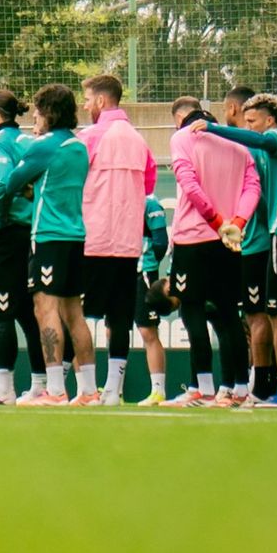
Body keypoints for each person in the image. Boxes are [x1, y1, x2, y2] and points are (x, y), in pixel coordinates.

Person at [195, 95, 277, 408]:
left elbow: (254, 140)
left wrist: (213, 129)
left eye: (252, 121)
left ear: (269, 121)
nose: (248, 126)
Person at [0, 84, 97, 405]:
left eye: (37, 111)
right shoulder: (79, 147)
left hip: (49, 237)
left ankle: (55, 390)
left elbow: (8, 184)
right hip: (76, 237)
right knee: (74, 313)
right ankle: (89, 390)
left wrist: (24, 192)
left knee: (44, 309)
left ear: (48, 113)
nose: (34, 118)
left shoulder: (44, 146)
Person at [165, 97, 260, 406]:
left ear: (180, 117)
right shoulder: (236, 144)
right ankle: (239, 389)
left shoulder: (182, 137)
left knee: (192, 311)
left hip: (194, 239)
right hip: (229, 242)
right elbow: (253, 188)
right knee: (229, 314)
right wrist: (237, 223)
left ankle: (202, 388)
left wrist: (218, 222)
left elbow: (190, 186)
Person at [80, 74, 158, 407]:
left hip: (93, 239)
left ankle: (84, 389)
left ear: (100, 101)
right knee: (120, 317)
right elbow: (149, 185)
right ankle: (113, 390)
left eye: (87, 99)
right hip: (127, 244)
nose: (85, 106)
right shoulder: (139, 141)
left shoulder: (90, 137)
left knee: (76, 314)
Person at [0, 90, 48, 406]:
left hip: (4, 236)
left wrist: (2, 218)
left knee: (1, 312)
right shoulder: (31, 143)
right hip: (31, 233)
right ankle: (39, 385)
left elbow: (4, 182)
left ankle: (4, 387)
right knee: (30, 314)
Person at [223, 85, 277, 403]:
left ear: (233, 111)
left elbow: (255, 196)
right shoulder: (261, 148)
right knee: (257, 316)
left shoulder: (250, 150)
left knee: (257, 317)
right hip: (257, 242)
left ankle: (261, 385)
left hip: (255, 243)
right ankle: (261, 383)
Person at [135, 193, 175, 403]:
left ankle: (158, 390)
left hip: (143, 273)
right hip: (120, 270)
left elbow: (160, 243)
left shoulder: (150, 203)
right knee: (113, 328)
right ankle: (114, 389)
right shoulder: (118, 199)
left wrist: (147, 263)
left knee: (147, 330)